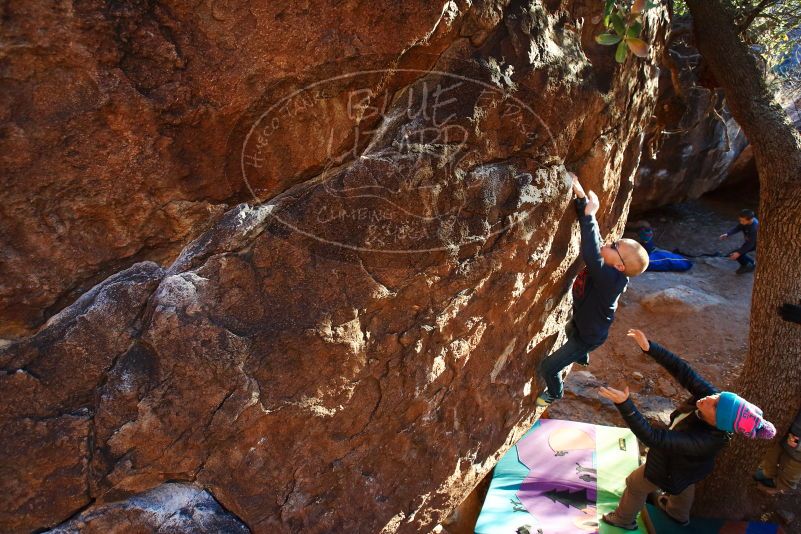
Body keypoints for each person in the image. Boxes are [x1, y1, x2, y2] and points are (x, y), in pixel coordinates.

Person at [598, 329, 776, 530]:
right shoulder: (711, 401)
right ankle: (678, 515)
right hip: (691, 468)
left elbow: (654, 438)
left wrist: (625, 405)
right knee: (685, 483)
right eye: (718, 397)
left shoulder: (705, 440)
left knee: (636, 484)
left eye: (716, 404)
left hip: (670, 467)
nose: (710, 397)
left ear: (718, 422)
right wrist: (650, 348)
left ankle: (623, 520)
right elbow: (684, 371)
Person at [536, 173, 649, 406]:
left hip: (589, 337)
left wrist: (590, 214)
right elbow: (595, 240)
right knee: (570, 327)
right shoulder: (612, 267)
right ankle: (580, 354)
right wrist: (581, 200)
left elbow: (590, 251)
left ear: (619, 266)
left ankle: (555, 392)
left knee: (548, 367)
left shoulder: (610, 279)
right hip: (583, 323)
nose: (609, 243)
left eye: (614, 246)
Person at [754, 405, 801, 494]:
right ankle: (767, 473)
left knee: (788, 476)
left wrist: (799, 445)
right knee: (771, 456)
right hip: (785, 436)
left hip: (797, 456)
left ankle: (776, 488)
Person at [719, 209, 758, 274]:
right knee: (737, 253)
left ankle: (748, 266)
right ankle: (752, 263)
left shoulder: (754, 228)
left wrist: (738, 253)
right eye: (740, 220)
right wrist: (728, 234)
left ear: (751, 219)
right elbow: (738, 228)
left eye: (743, 221)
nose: (741, 222)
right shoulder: (745, 222)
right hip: (750, 241)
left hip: (754, 243)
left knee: (737, 253)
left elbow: (750, 244)